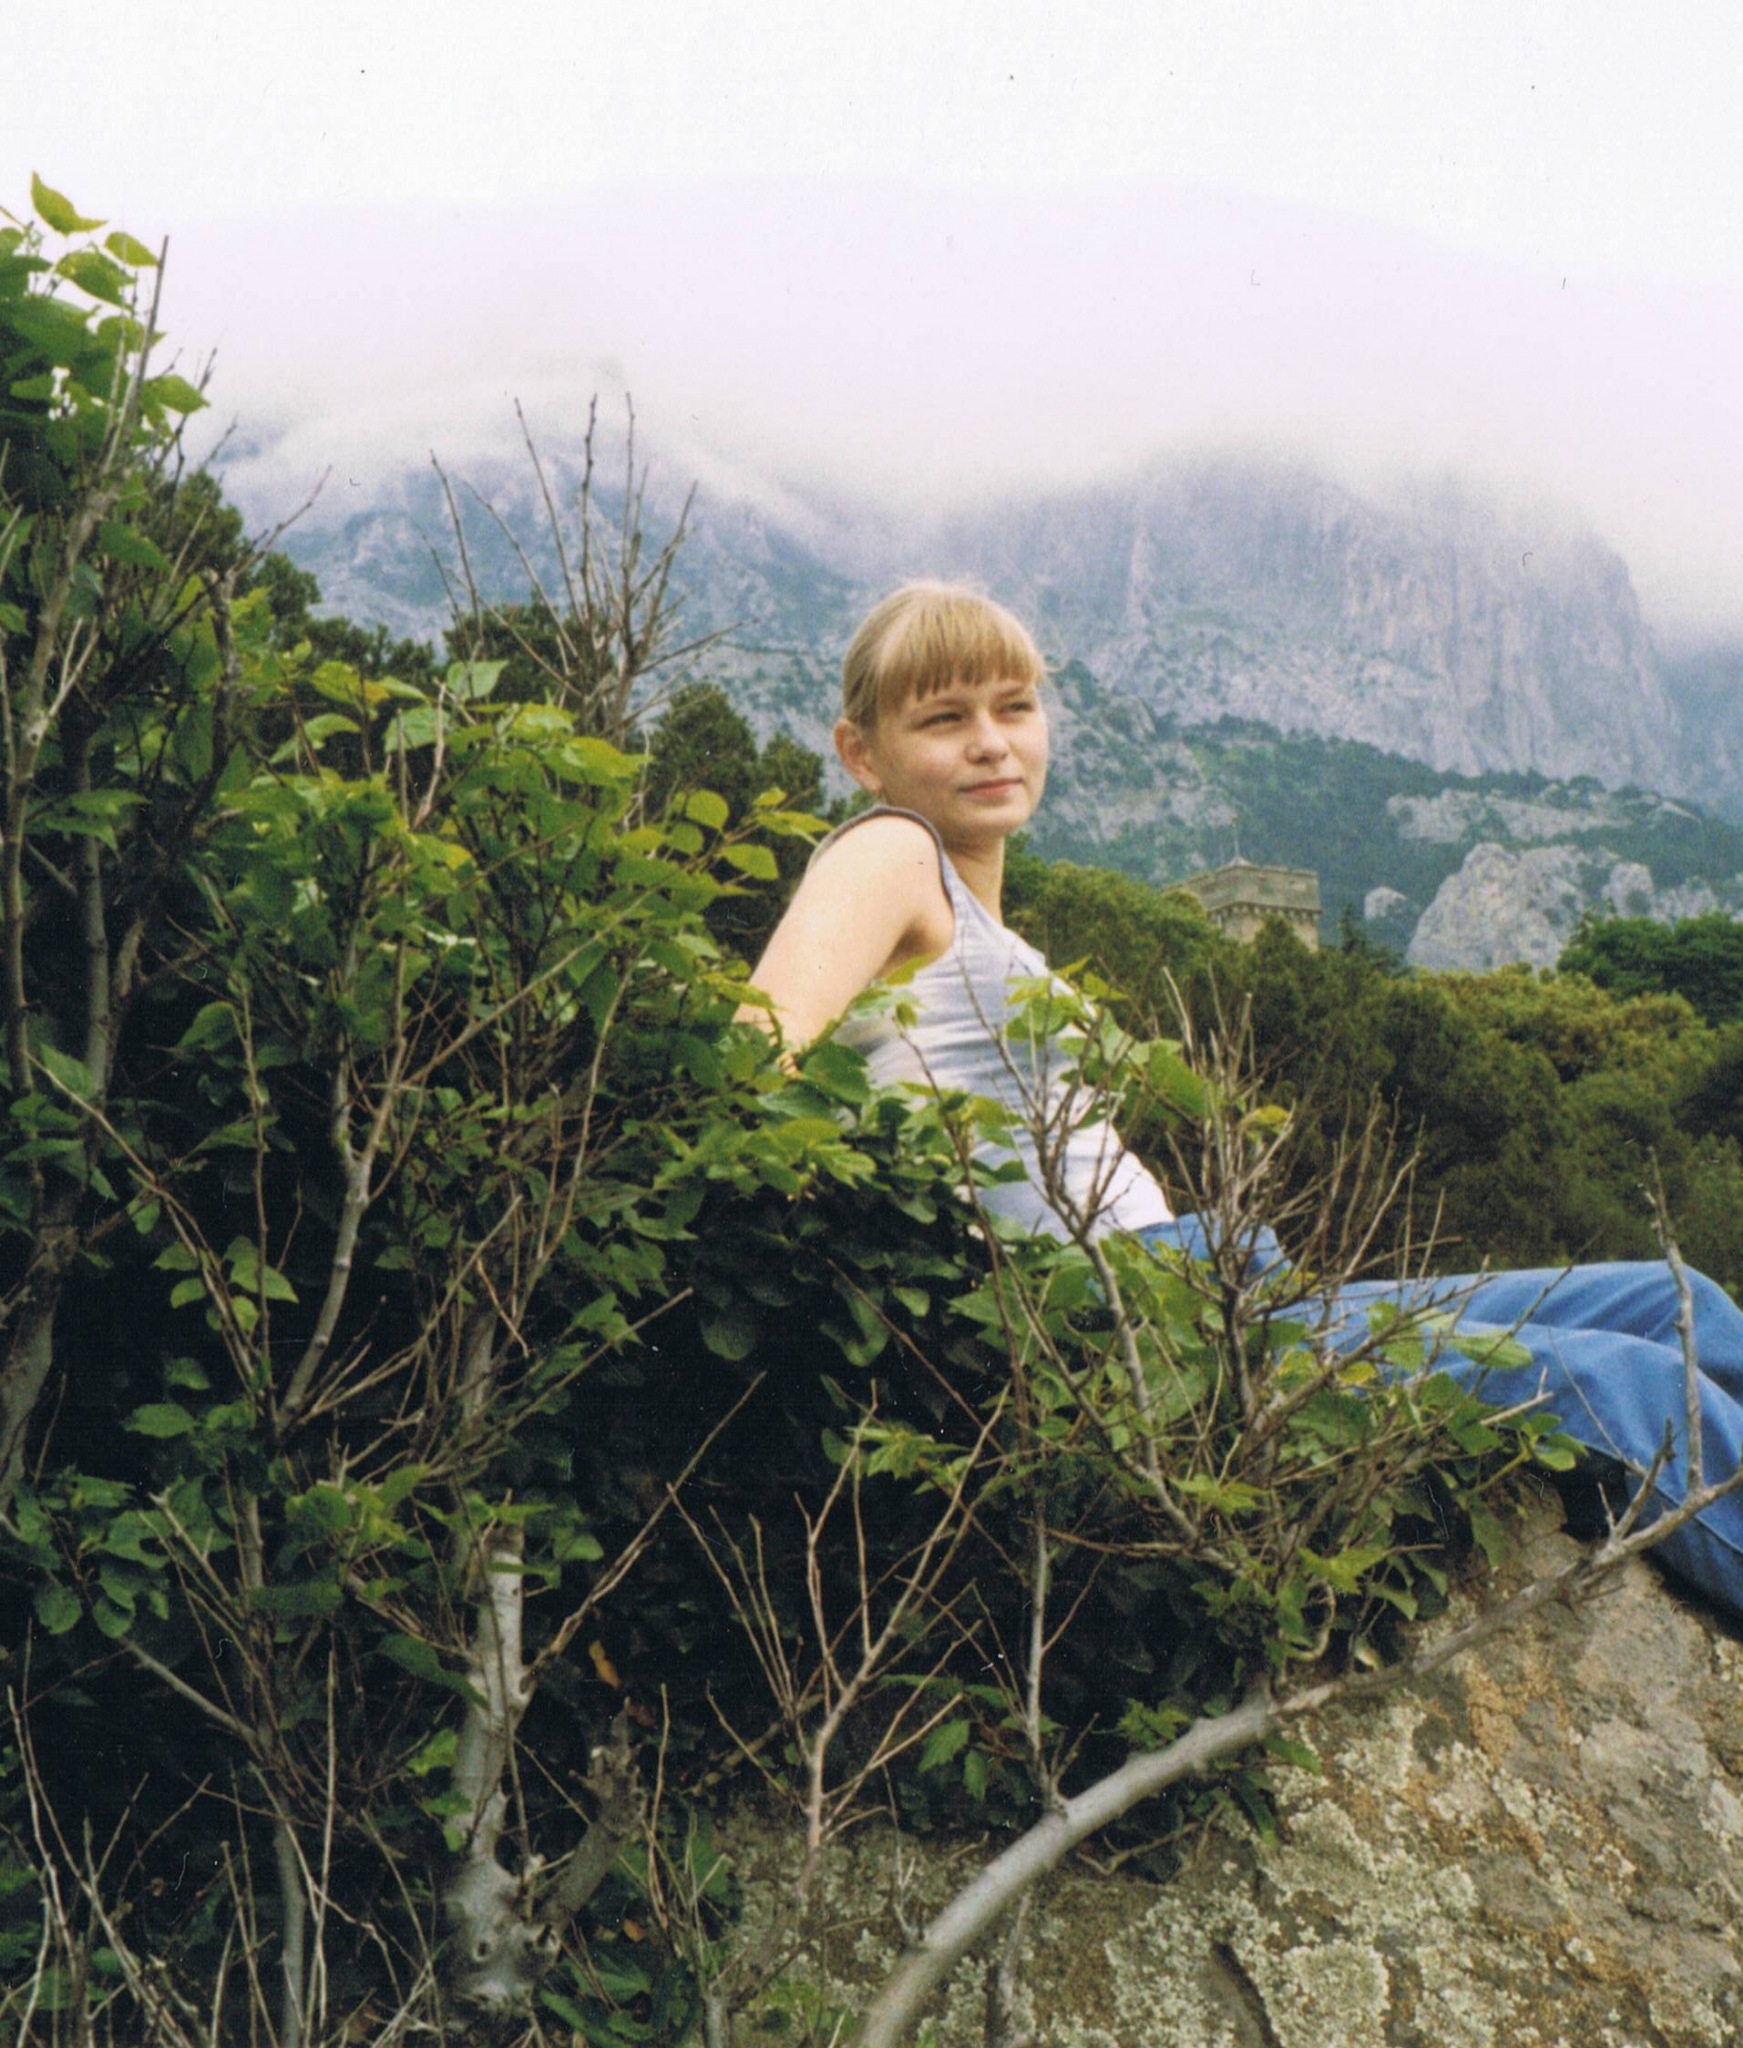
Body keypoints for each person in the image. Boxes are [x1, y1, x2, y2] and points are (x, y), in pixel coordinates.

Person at [745, 580, 1743, 1619]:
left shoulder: (982, 916)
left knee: (1675, 1302)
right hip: (1132, 1337)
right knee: (1620, 1388)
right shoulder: (892, 851)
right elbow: (752, 1058)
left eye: (1015, 705)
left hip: (1209, 1287)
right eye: (944, 718)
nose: (992, 742)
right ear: (861, 752)